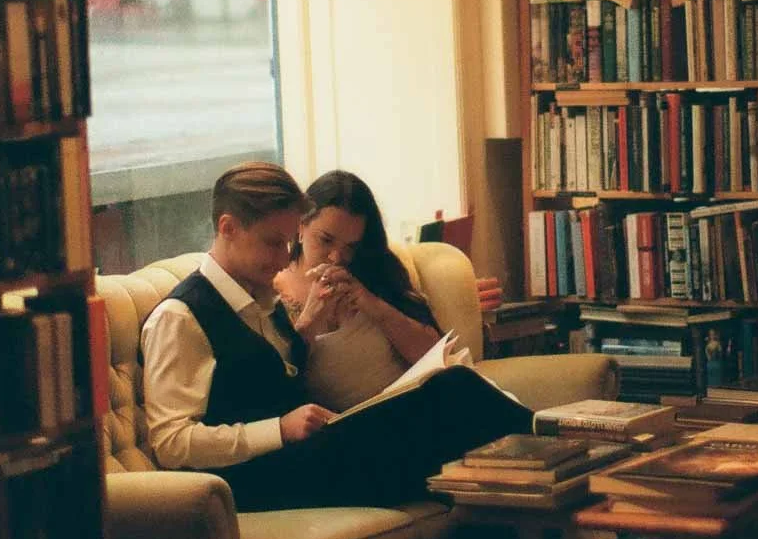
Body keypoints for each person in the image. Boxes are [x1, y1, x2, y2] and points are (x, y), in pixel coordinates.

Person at [141, 160, 528, 512]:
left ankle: (549, 474)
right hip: (257, 481)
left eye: (289, 243)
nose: (283, 258)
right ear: (228, 228)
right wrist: (278, 429)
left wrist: (307, 331)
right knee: (453, 396)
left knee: (464, 447)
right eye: (274, 243)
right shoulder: (180, 316)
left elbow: (275, 377)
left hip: (306, 455)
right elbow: (172, 443)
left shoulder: (260, 299)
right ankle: (564, 445)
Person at [272, 169, 443, 412]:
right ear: (300, 226)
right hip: (347, 429)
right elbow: (275, 388)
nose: (336, 257)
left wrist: (373, 306)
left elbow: (436, 357)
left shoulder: (371, 270)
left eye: (351, 246)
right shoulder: (272, 292)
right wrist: (310, 320)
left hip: (417, 405)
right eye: (326, 240)